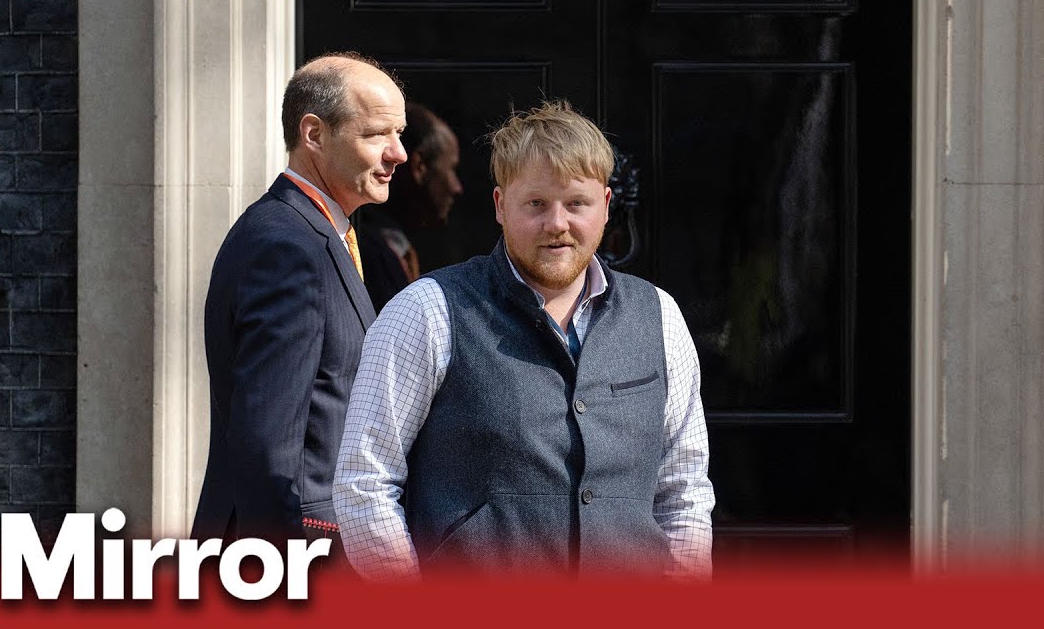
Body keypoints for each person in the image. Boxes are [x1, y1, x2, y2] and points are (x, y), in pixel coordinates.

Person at [333, 99, 714, 580]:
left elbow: (684, 491)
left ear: (606, 206)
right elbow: (365, 482)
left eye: (577, 203)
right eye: (536, 203)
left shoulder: (659, 316)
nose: (557, 223)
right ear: (499, 206)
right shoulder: (426, 311)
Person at [192, 52, 406, 550]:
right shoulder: (285, 248)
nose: (399, 153)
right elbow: (266, 447)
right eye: (377, 134)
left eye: (400, 133)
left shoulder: (321, 235)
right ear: (314, 134)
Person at [352, 101, 463, 313]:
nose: (457, 188)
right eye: (451, 169)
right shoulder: (366, 254)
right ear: (419, 167)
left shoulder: (393, 249)